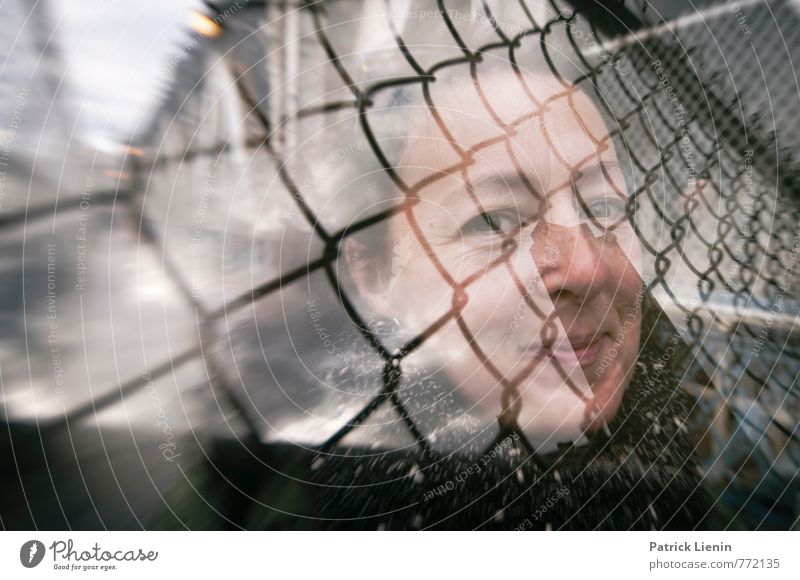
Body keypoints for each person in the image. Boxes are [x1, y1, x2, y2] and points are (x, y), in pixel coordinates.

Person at [153, 67, 714, 530]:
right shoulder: (286, 507)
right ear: (374, 275)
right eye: (493, 220)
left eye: (607, 207)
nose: (590, 267)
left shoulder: (675, 439)